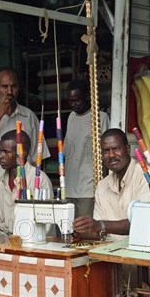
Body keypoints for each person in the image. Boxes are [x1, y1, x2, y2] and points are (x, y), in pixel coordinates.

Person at [0, 67, 50, 200]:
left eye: (14, 86)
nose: (10, 91)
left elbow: (36, 158)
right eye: (4, 86)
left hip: (25, 189)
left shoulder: (28, 116)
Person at [72, 128, 150, 241]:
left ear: (128, 149)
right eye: (106, 151)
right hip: (116, 252)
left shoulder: (147, 177)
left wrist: (100, 225)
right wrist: (81, 233)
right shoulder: (102, 186)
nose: (111, 155)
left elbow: (141, 222)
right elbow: (100, 231)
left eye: (116, 148)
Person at [0, 130, 53, 235]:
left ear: (22, 153)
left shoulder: (39, 180)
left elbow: (46, 225)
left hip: (30, 243)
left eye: (6, 151)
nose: (0, 156)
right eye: (0, 151)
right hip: (3, 241)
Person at [64, 79, 110, 217]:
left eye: (76, 100)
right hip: (70, 185)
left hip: (89, 188)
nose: (73, 104)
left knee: (85, 230)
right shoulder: (71, 117)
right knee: (70, 229)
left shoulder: (100, 118)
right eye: (70, 101)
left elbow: (106, 153)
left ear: (87, 97)